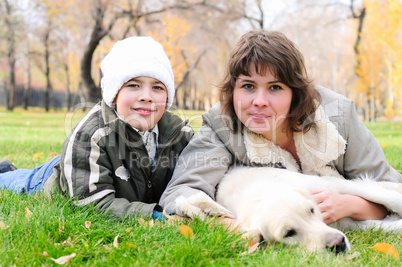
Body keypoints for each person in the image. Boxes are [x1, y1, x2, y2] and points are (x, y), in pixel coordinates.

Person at [159, 30, 402, 227]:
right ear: (232, 89)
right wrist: (232, 223)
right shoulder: (221, 124)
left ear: (295, 92)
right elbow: (180, 193)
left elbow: (389, 190)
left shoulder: (338, 115)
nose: (260, 101)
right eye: (248, 86)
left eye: (275, 87)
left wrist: (350, 205)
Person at [0, 36, 193, 220]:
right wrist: (156, 217)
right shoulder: (91, 135)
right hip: (61, 178)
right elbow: (91, 203)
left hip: (89, 165)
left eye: (157, 87)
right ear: (114, 94)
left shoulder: (180, 134)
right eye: (133, 85)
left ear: (168, 97)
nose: (146, 96)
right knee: (21, 183)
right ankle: (6, 173)